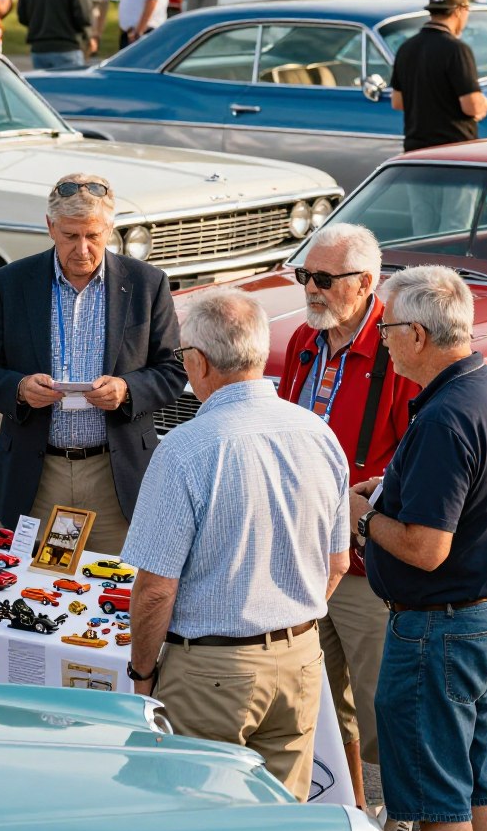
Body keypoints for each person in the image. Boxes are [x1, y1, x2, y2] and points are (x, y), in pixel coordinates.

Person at [122, 290, 349, 801]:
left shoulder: (186, 447)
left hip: (211, 670)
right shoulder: (319, 434)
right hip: (300, 657)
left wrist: (141, 671)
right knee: (280, 816)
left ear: (198, 362)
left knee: (195, 814)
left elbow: (155, 589)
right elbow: (336, 563)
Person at [350, 265, 487, 831]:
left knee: (434, 801)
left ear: (418, 336)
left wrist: (366, 516)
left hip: (439, 631)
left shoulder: (444, 417)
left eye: (386, 328)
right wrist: (390, 491)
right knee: (475, 778)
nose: (382, 340)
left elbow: (426, 548)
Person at [0, 174, 186, 556]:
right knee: (35, 591)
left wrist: (127, 390)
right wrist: (18, 389)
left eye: (93, 236)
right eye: (70, 236)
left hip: (115, 476)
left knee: (112, 594)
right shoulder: (9, 283)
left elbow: (172, 371)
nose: (82, 249)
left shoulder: (147, 285)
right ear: (50, 227)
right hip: (39, 475)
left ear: (110, 229)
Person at [279, 224, 419, 818]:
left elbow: (414, 462)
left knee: (383, 705)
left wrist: (363, 513)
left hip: (363, 564)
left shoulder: (399, 352)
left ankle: (411, 815)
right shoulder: (303, 343)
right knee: (323, 709)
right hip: (301, 552)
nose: (310, 289)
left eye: (323, 279)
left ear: (366, 283)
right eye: (305, 276)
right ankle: (354, 814)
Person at [390, 0, 487, 151]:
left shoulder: (406, 47)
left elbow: (398, 102)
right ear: (460, 10)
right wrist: (484, 103)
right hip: (453, 150)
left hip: (416, 150)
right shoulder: (457, 49)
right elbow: (471, 106)